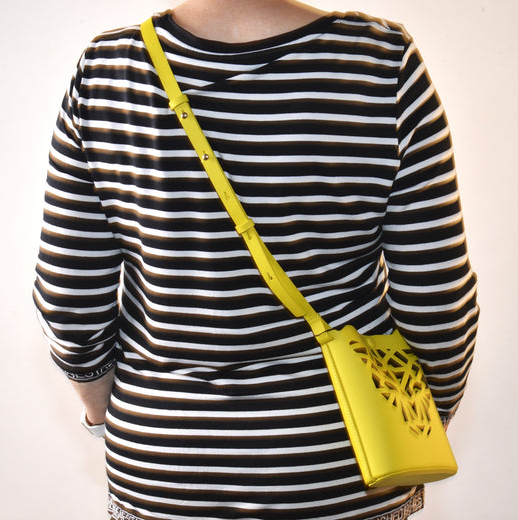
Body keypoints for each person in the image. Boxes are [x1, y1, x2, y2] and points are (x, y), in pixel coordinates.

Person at [33, 0, 479, 518]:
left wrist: (108, 414)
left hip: (165, 464)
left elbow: (68, 298)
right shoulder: (381, 63)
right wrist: (423, 416)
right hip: (345, 462)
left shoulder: (108, 72)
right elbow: (438, 298)